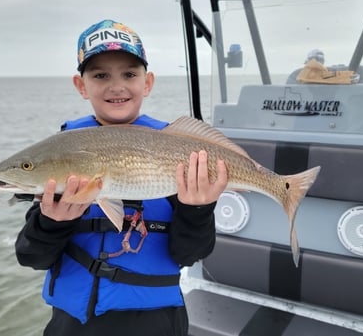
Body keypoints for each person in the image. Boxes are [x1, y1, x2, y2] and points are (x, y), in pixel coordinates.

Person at [14, 19, 228, 336]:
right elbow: (31, 256)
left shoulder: (176, 151)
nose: (117, 86)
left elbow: (190, 255)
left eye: (129, 74)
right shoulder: (63, 155)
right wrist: (51, 223)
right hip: (73, 324)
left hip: (156, 321)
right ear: (81, 85)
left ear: (148, 82)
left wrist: (197, 210)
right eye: (101, 75)